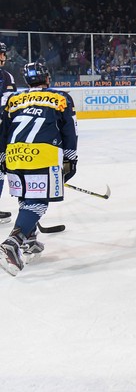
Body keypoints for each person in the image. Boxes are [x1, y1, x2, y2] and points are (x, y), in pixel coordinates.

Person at [0, 62, 77, 275]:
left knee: (26, 198)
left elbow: (3, 130)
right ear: (48, 78)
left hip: (14, 155)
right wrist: (71, 159)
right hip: (42, 156)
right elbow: (70, 130)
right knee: (38, 203)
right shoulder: (61, 97)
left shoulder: (13, 99)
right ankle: (12, 243)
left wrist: (1, 157)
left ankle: (29, 239)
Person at [0, 42, 16, 223]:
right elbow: (8, 107)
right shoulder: (6, 76)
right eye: (2, 54)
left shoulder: (6, 76)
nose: (4, 57)